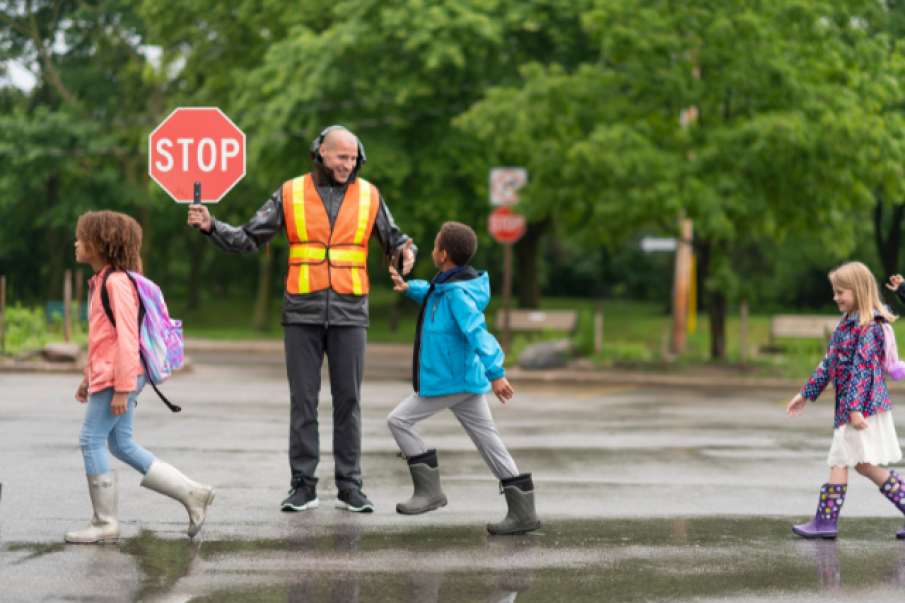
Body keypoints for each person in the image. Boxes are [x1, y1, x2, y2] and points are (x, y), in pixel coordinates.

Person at [188, 126, 416, 513]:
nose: (348, 164)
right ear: (320, 153)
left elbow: (394, 238)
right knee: (303, 402)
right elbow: (249, 237)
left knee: (349, 401)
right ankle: (303, 487)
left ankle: (350, 487)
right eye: (341, 157)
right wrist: (212, 226)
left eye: (353, 158)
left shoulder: (369, 195)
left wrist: (405, 252)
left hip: (350, 311)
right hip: (301, 311)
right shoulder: (290, 192)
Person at [67, 210, 215, 544]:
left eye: (81, 237)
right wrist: (88, 376)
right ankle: (193, 494)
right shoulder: (103, 281)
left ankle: (104, 523)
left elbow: (127, 339)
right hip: (113, 376)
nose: (76, 243)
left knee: (91, 440)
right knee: (121, 444)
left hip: (121, 377)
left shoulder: (116, 282)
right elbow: (103, 340)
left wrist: (121, 388)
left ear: (101, 243)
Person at [385, 221, 540, 535]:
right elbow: (433, 298)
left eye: (433, 246)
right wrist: (409, 287)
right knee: (489, 442)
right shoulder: (449, 285)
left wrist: (496, 373)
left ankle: (429, 493)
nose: (430, 251)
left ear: (442, 254)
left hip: (450, 381)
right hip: (463, 382)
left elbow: (476, 331)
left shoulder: (456, 293)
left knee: (398, 421)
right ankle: (523, 511)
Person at [787, 261, 903, 538]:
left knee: (841, 459)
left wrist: (854, 409)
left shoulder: (870, 326)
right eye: (835, 292)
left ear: (859, 290)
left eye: (841, 291)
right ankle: (825, 522)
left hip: (861, 407)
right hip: (853, 407)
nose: (836, 297)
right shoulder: (845, 324)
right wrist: (805, 393)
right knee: (860, 464)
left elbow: (862, 369)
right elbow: (829, 364)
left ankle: (825, 523)